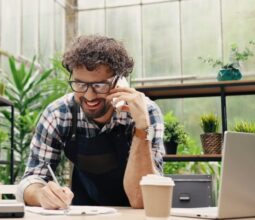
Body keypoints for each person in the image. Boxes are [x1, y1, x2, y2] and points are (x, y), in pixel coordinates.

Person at [16, 35, 165, 209]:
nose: (89, 96)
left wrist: (141, 129)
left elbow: (142, 199)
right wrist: (42, 194)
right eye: (80, 85)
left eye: (99, 85)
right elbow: (31, 179)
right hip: (83, 212)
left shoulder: (146, 113)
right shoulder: (58, 114)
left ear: (120, 81)